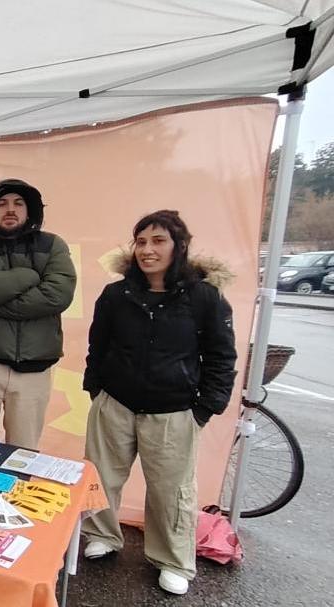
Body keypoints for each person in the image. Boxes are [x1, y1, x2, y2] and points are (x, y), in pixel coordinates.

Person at [81, 210, 237, 596]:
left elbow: (221, 357)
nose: (148, 250)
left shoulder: (204, 297)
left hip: (173, 410)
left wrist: (205, 408)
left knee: (172, 490)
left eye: (158, 241)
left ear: (178, 246)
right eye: (141, 242)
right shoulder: (117, 294)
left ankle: (171, 560)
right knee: (102, 476)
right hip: (115, 402)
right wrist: (96, 387)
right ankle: (102, 535)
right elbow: (97, 346)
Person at [0, 179, 76, 449]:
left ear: (29, 210)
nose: (11, 209)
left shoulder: (53, 245)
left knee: (24, 454)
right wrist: (28, 277)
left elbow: (58, 294)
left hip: (35, 369)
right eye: (2, 203)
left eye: (18, 203)